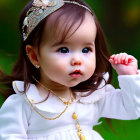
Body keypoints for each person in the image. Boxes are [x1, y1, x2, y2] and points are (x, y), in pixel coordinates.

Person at [0, 0, 140, 139]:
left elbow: (132, 109)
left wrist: (128, 76)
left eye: (86, 49)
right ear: (35, 56)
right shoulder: (24, 103)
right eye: (63, 50)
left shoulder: (90, 96)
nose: (77, 60)